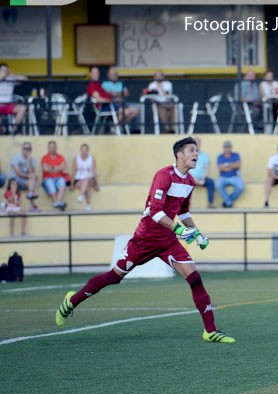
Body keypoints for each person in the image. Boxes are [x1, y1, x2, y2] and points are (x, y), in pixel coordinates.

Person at [54, 137, 235, 343]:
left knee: (194, 278)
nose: (196, 154)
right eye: (192, 150)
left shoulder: (190, 182)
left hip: (167, 241)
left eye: (197, 151)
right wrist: (178, 229)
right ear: (180, 155)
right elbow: (155, 211)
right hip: (145, 239)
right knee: (114, 277)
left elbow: (183, 213)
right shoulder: (164, 175)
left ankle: (210, 331)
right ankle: (71, 301)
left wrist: (197, 233)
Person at [9, 142, 39, 210]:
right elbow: (18, 173)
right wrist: (29, 176)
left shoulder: (32, 160)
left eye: (29, 149)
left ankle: (31, 199)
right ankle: (11, 207)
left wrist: (29, 161)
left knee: (33, 179)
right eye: (25, 148)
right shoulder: (16, 158)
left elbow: (32, 173)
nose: (27, 150)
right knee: (31, 178)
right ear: (22, 149)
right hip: (14, 180)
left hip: (24, 182)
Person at [0, 63, 28, 135]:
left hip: (9, 105)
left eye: (6, 70)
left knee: (22, 108)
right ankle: (4, 130)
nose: (5, 71)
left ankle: (14, 130)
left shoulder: (10, 79)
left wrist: (13, 75)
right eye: (3, 70)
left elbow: (25, 79)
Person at [41, 140, 69, 211]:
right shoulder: (45, 157)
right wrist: (58, 167)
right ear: (48, 148)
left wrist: (52, 167)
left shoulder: (60, 157)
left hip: (59, 177)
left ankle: (57, 202)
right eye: (50, 147)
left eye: (53, 147)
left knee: (62, 182)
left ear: (56, 148)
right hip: (48, 178)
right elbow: (45, 169)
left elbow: (64, 166)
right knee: (50, 183)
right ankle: (58, 203)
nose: (52, 148)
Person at [215, 141, 244, 208]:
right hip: (223, 177)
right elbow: (221, 168)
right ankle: (229, 202)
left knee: (240, 186)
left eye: (228, 147)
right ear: (223, 148)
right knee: (218, 185)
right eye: (226, 147)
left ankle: (227, 202)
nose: (227, 149)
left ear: (231, 148)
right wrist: (232, 166)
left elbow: (238, 165)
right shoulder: (220, 156)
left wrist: (226, 165)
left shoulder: (236, 155)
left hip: (234, 176)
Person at [71, 143, 98, 211]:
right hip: (79, 179)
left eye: (85, 150)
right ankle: (88, 204)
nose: (84, 152)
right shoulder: (76, 158)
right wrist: (71, 184)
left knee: (87, 179)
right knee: (87, 184)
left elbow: (94, 171)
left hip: (90, 178)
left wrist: (97, 184)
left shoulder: (92, 158)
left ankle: (81, 195)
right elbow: (74, 171)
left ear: (88, 151)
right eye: (83, 150)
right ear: (80, 151)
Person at [188, 137, 214, 208]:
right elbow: (186, 169)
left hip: (202, 179)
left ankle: (210, 203)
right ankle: (186, 205)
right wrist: (193, 178)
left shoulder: (204, 156)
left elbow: (207, 169)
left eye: (198, 144)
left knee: (210, 182)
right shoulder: (188, 155)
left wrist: (202, 178)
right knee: (185, 182)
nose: (197, 145)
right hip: (190, 178)